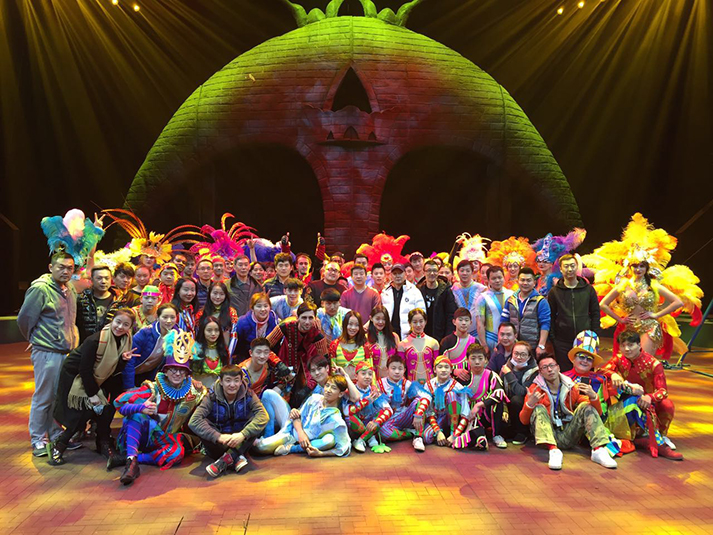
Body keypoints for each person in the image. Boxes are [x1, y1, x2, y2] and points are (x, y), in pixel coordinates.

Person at [109, 330, 208, 485]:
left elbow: (211, 405)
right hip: (144, 436)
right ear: (166, 371)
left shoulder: (196, 392)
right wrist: (141, 407)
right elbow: (118, 402)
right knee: (137, 415)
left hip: (166, 439)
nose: (177, 373)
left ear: (187, 373)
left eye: (181, 370)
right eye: (173, 369)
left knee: (177, 453)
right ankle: (131, 463)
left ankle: (131, 458)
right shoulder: (153, 388)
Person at [48, 309, 137, 465]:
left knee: (109, 407)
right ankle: (59, 445)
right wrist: (92, 394)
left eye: (125, 324)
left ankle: (103, 442)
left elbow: (113, 369)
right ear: (112, 321)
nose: (120, 327)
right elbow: (85, 370)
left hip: (100, 376)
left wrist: (123, 360)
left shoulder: (125, 340)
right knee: (82, 412)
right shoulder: (95, 340)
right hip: (76, 376)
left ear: (130, 327)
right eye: (118, 322)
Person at [17, 252, 80, 457]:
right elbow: (24, 319)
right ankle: (38, 439)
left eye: (69, 268)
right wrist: (36, 339)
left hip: (65, 351)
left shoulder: (69, 288)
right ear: (51, 267)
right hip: (47, 351)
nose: (65, 271)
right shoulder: (40, 289)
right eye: (61, 267)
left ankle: (56, 435)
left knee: (58, 397)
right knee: (43, 397)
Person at [520, 353, 617, 470]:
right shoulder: (535, 389)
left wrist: (593, 397)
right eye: (545, 367)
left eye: (552, 365)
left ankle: (598, 450)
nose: (549, 369)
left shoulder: (571, 386)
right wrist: (529, 404)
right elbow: (524, 421)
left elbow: (597, 413)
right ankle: (554, 451)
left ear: (558, 367)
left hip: (568, 433)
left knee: (586, 406)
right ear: (540, 372)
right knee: (538, 408)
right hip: (547, 436)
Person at [600, 330, 681, 459]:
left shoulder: (654, 364)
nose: (627, 349)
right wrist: (613, 374)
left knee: (667, 405)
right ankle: (646, 440)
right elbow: (601, 371)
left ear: (639, 345)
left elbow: (663, 391)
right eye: (623, 346)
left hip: (650, 403)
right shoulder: (619, 359)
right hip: (630, 402)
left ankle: (660, 436)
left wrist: (649, 397)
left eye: (631, 345)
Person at [188, 364, 269, 477]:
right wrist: (218, 437)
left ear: (241, 381)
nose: (232, 385)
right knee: (204, 422)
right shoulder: (211, 396)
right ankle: (236, 456)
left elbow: (263, 416)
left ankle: (224, 461)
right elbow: (193, 421)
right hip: (219, 443)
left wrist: (242, 434)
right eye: (228, 380)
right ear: (221, 381)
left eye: (236, 380)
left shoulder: (249, 394)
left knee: (255, 420)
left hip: (240, 439)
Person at [253, 375, 352, 457]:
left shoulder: (336, 420)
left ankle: (291, 448)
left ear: (340, 394)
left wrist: (321, 454)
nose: (328, 390)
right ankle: (268, 434)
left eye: (333, 388)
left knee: (329, 440)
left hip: (299, 441)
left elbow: (344, 447)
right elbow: (297, 416)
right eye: (327, 385)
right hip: (291, 428)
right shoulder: (315, 398)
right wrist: (300, 431)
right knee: (268, 394)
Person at [599, 261, 684, 357]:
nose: (638, 269)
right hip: (629, 327)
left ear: (647, 268)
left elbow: (678, 302)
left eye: (642, 266)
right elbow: (603, 304)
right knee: (628, 362)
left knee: (643, 360)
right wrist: (620, 320)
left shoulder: (653, 285)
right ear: (629, 267)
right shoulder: (623, 286)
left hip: (648, 327)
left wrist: (656, 315)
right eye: (635, 266)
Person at [266, 302, 329, 409]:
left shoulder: (317, 335)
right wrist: (277, 363)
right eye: (304, 318)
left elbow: (325, 363)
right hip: (283, 369)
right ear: (297, 317)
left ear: (315, 318)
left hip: (308, 373)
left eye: (310, 318)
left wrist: (309, 387)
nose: (307, 322)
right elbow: (264, 346)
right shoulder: (285, 326)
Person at [547, 254, 601, 371]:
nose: (570, 269)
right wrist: (553, 339)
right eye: (566, 266)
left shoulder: (588, 289)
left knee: (585, 372)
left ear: (577, 267)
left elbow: (595, 313)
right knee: (565, 373)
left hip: (586, 340)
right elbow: (550, 316)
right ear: (561, 269)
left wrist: (595, 335)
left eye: (572, 265)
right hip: (562, 341)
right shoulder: (554, 292)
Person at [456, 344, 508, 450]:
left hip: (485, 414)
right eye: (473, 358)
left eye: (480, 358)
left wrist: (479, 405)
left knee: (497, 403)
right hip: (466, 415)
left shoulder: (491, 375)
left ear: (486, 360)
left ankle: (496, 435)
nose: (477, 362)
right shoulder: (463, 376)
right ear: (467, 360)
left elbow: (499, 393)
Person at [376, 355, 431, 452]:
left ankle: (418, 437)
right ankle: (410, 434)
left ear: (404, 370)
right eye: (393, 368)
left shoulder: (408, 384)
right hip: (389, 420)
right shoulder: (379, 384)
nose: (397, 372)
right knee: (383, 432)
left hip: (405, 416)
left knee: (418, 401)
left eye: (400, 369)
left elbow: (426, 397)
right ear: (387, 369)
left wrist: (418, 414)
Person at [122, 303, 179, 389]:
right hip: (128, 374)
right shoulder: (145, 332)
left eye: (172, 317)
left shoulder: (177, 335)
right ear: (158, 317)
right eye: (165, 317)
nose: (169, 321)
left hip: (149, 376)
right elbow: (129, 360)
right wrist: (129, 387)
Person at [420, 356, 469, 450]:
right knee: (426, 437)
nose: (443, 370)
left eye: (446, 367)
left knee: (451, 395)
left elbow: (465, 413)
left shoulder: (457, 387)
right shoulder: (429, 385)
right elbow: (429, 412)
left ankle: (452, 433)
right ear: (434, 370)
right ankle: (441, 435)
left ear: (451, 370)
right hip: (436, 418)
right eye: (440, 367)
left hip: (452, 420)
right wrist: (437, 431)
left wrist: (456, 434)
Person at [501, 268, 551, 357]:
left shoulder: (541, 301)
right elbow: (504, 322)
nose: (525, 283)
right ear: (518, 281)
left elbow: (545, 324)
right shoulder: (510, 300)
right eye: (522, 280)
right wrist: (500, 341)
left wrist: (541, 345)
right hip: (513, 345)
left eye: (528, 280)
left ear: (534, 283)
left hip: (532, 346)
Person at [498, 340, 538, 445]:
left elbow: (521, 392)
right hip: (508, 402)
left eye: (523, 354)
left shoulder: (534, 371)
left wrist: (509, 374)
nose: (519, 357)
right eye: (516, 354)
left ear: (529, 357)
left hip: (525, 404)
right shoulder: (506, 367)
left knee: (516, 400)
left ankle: (522, 432)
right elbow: (500, 386)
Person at [346, 362, 391, 453]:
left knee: (383, 415)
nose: (367, 377)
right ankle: (368, 436)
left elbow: (388, 410)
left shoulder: (374, 392)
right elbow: (347, 411)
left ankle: (361, 440)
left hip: (370, 423)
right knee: (349, 418)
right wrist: (366, 402)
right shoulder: (350, 391)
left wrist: (376, 422)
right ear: (356, 376)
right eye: (363, 374)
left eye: (370, 374)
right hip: (356, 426)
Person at [381, 263, 425, 340]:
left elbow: (422, 314)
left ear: (405, 274)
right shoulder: (385, 292)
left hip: (408, 335)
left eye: (400, 273)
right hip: (388, 335)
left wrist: (415, 331)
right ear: (391, 275)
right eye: (395, 273)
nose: (397, 276)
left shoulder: (414, 291)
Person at [475, 266, 514, 352]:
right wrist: (484, 344)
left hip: (510, 339)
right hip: (491, 339)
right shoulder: (482, 298)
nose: (497, 280)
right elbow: (480, 323)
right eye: (493, 278)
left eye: (499, 277)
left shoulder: (512, 295)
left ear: (504, 278)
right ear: (488, 280)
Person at [397, 308, 440, 385]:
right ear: (409, 323)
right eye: (415, 322)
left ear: (425, 322)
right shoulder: (402, 345)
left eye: (421, 321)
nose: (418, 325)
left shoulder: (434, 343)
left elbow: (437, 367)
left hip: (431, 386)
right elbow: (400, 369)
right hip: (411, 386)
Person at [328, 311, 375, 380]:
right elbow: (332, 371)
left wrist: (373, 385)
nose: (353, 328)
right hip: (341, 384)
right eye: (350, 324)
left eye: (357, 325)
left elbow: (371, 370)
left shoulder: (365, 346)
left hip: (360, 385)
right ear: (345, 325)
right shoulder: (334, 345)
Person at [76, 265, 118, 342]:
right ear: (92, 280)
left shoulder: (119, 301)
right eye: (99, 278)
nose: (103, 281)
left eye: (107, 278)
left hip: (109, 344)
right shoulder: (82, 299)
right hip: (85, 344)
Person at [417, 259, 456, 341]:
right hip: (422, 335)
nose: (432, 273)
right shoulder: (418, 290)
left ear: (438, 273)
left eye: (434, 270)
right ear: (424, 273)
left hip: (441, 335)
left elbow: (450, 315)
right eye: (428, 270)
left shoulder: (445, 290)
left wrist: (447, 337)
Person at [195, 281, 239, 353]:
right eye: (215, 293)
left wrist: (228, 355)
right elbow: (197, 336)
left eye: (221, 294)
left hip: (224, 352)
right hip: (204, 352)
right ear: (209, 294)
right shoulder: (201, 314)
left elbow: (234, 336)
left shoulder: (231, 312)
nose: (218, 297)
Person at [234, 292, 279, 360]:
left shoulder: (274, 321)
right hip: (247, 357)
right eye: (259, 306)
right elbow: (239, 347)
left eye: (265, 306)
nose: (263, 309)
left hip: (268, 357)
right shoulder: (242, 322)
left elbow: (276, 347)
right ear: (252, 308)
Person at [192, 316, 231, 389]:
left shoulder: (223, 350)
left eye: (216, 330)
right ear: (203, 331)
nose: (213, 334)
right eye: (209, 330)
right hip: (197, 391)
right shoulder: (194, 350)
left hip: (218, 392)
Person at [451, 260, 486, 338]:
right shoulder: (453, 289)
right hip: (459, 332)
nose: (464, 273)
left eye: (468, 271)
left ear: (472, 272)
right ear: (457, 272)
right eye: (462, 271)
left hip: (477, 331)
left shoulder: (481, 289)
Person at [439, 308, 478, 377]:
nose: (464, 323)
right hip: (450, 380)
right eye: (460, 320)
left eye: (466, 320)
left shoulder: (475, 342)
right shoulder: (446, 342)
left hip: (471, 380)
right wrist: (454, 371)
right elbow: (440, 365)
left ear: (471, 323)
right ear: (454, 322)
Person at [366, 305, 400, 379]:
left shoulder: (394, 337)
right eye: (377, 319)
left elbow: (399, 361)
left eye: (384, 319)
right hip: (373, 380)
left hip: (392, 380)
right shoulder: (366, 338)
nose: (381, 322)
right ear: (371, 318)